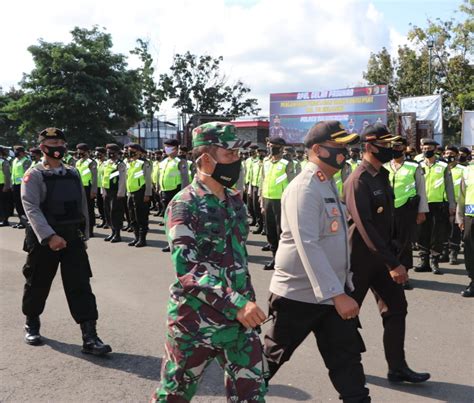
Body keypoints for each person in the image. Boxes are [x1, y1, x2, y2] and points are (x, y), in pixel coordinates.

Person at [151, 122, 267, 402]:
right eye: (230, 155)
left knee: (251, 395)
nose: (237, 161)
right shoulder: (183, 204)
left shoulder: (235, 201)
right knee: (174, 395)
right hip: (195, 323)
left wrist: (245, 302)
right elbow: (188, 270)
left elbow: (238, 259)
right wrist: (238, 304)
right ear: (206, 159)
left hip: (239, 324)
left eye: (238, 155)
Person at [263, 121, 371, 403]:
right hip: (298, 294)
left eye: (345, 148)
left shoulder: (326, 183)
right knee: (267, 363)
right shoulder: (305, 188)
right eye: (338, 148)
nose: (343, 154)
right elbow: (307, 245)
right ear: (316, 150)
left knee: (347, 361)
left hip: (331, 293)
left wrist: (340, 289)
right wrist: (338, 295)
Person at [344, 123, 431, 384]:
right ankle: (346, 367)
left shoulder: (381, 175)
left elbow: (387, 220)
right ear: (369, 146)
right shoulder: (358, 179)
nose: (391, 150)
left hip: (382, 258)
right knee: (347, 315)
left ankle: (397, 367)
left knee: (396, 309)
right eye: (385, 145)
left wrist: (395, 252)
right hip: (358, 261)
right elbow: (366, 227)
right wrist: (393, 263)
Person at [20, 127, 111, 355]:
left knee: (80, 284)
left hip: (72, 237)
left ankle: (90, 336)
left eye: (60, 141)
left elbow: (82, 206)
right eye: (52, 142)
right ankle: (32, 322)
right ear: (43, 147)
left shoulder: (72, 172)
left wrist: (85, 234)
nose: (58, 146)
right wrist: (50, 236)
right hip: (44, 239)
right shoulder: (35, 175)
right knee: (37, 282)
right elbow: (30, 207)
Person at [385, 139, 429, 289]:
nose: (395, 148)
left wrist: (421, 211)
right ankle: (390, 272)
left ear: (404, 148)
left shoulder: (414, 166)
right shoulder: (385, 165)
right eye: (393, 146)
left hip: (406, 209)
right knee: (388, 241)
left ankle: (405, 275)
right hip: (388, 210)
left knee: (404, 242)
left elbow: (421, 190)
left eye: (398, 146)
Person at [414, 139, 455, 275]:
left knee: (437, 233)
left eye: (429, 148)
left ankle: (434, 261)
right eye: (424, 148)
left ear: (435, 149)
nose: (426, 150)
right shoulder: (418, 165)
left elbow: (449, 186)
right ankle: (423, 261)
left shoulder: (443, 165)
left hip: (439, 204)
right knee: (422, 232)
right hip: (422, 204)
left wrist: (451, 204)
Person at [259, 137, 294, 270]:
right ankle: (274, 258)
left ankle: (282, 259)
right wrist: (261, 200)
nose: (271, 148)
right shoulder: (266, 162)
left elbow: (291, 184)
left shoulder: (287, 164)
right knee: (270, 230)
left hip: (281, 201)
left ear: (281, 148)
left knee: (281, 231)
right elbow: (263, 180)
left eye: (274, 146)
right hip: (268, 199)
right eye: (270, 146)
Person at [158, 138, 189, 251]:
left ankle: (180, 243)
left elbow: (185, 179)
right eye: (165, 147)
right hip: (165, 192)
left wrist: (183, 194)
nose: (166, 149)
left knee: (177, 220)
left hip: (176, 193)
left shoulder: (180, 162)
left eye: (168, 147)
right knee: (168, 219)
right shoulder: (164, 161)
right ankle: (170, 242)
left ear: (175, 148)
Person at [442, 145, 465, 264]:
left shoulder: (462, 169)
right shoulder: (441, 168)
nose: (448, 156)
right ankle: (444, 252)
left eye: (451, 154)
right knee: (443, 228)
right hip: (442, 202)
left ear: (456, 155)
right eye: (446, 153)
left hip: (457, 202)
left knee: (455, 229)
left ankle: (453, 253)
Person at [125, 143, 152, 247]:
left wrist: (147, 194)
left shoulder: (144, 163)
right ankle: (136, 237)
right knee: (132, 217)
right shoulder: (129, 163)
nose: (130, 152)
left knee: (141, 216)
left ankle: (142, 239)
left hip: (141, 192)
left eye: (132, 151)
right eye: (128, 150)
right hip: (131, 192)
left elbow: (148, 180)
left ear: (139, 152)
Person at [101, 144, 126, 243]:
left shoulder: (120, 164)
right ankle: (112, 231)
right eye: (107, 151)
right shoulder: (106, 163)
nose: (108, 153)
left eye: (110, 151)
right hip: (107, 191)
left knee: (115, 212)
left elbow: (122, 180)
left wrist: (120, 192)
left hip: (116, 192)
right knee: (108, 212)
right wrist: (103, 191)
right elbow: (103, 177)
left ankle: (117, 234)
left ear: (116, 153)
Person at [457, 161, 474, 297]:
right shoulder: (468, 170)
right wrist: (460, 217)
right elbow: (462, 195)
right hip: (470, 215)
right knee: (469, 248)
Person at [75, 143, 98, 237]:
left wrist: (93, 191)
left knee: (89, 210)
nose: (79, 152)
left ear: (86, 151)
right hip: (79, 188)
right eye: (78, 151)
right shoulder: (78, 162)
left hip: (88, 188)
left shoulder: (91, 162)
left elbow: (94, 177)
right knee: (80, 209)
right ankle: (81, 228)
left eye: (81, 151)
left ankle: (90, 229)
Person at [11, 145, 32, 228]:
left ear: (22, 153)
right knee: (18, 204)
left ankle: (26, 222)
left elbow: (27, 173)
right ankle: (21, 221)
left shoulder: (26, 161)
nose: (15, 153)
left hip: (23, 184)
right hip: (15, 184)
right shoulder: (15, 160)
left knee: (23, 203)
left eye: (17, 151)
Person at [94, 147, 108, 229]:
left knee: (105, 205)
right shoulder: (96, 162)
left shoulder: (106, 163)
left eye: (99, 153)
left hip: (104, 187)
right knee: (99, 204)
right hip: (97, 186)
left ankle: (107, 221)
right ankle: (103, 220)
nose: (97, 155)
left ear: (103, 154)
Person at [0, 146, 13, 226]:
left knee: (3, 203)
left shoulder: (3, 161)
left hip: (2, 185)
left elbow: (7, 175)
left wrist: (6, 185)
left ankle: (5, 220)